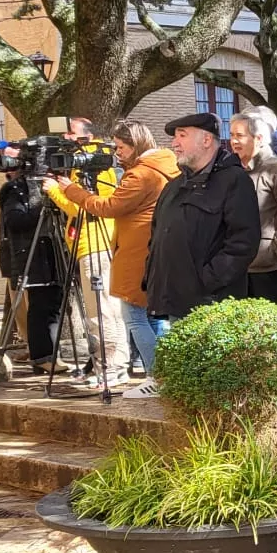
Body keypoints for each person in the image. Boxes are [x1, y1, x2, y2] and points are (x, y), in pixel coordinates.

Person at [51, 120, 181, 397]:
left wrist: (70, 190)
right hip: (157, 247)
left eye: (121, 147)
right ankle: (170, 374)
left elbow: (108, 207)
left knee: (133, 315)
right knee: (155, 317)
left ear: (135, 145)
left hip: (137, 250)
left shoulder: (141, 175)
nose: (117, 153)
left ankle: (157, 377)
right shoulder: (167, 165)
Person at [143, 114, 261, 323]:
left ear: (206, 140)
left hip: (213, 305)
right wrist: (152, 275)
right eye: (175, 137)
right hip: (175, 301)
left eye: (182, 136)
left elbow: (243, 242)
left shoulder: (234, 181)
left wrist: (207, 279)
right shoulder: (174, 186)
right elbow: (156, 236)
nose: (174, 143)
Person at [46, 117, 128, 388]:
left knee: (101, 310)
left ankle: (111, 367)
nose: (66, 139)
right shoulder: (83, 162)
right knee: (107, 308)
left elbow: (85, 206)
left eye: (71, 133)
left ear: (86, 137)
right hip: (88, 244)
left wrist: (55, 192)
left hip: (95, 244)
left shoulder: (94, 162)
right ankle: (117, 366)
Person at [230, 111, 277, 306]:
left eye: (240, 135)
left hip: (266, 271)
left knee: (267, 325)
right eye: (231, 135)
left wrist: (273, 251)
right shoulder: (232, 172)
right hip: (235, 269)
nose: (233, 141)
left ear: (259, 138)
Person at [0, 155, 64, 372]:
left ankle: (52, 356)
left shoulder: (54, 184)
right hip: (33, 254)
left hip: (54, 251)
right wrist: (43, 206)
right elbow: (15, 221)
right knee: (40, 306)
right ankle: (41, 357)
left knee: (54, 305)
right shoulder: (15, 190)